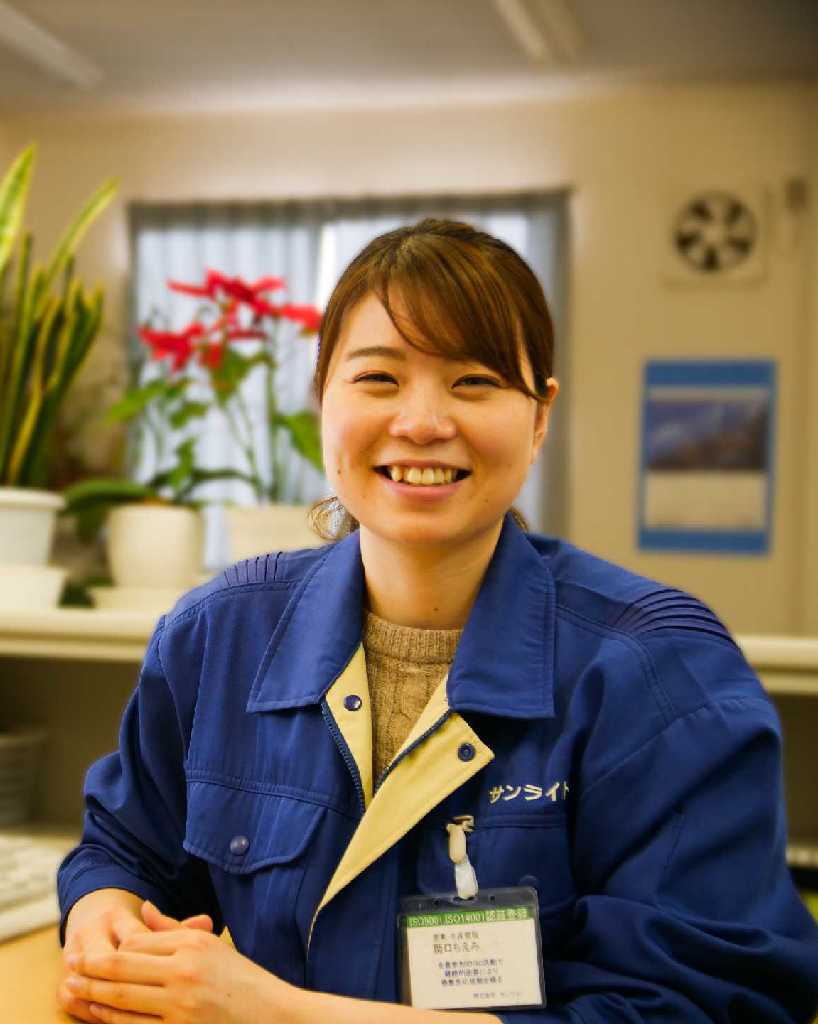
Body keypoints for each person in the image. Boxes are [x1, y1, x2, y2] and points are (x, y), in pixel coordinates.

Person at [58, 218, 818, 1024]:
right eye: (378, 378)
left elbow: (696, 1007)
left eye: (474, 381)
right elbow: (126, 848)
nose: (421, 422)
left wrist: (274, 1013)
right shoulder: (219, 636)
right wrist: (105, 914)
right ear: (322, 399)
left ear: (540, 417)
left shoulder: (663, 676)